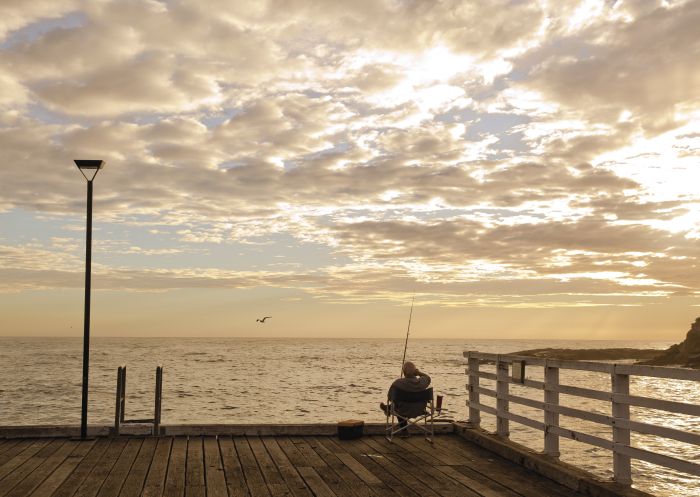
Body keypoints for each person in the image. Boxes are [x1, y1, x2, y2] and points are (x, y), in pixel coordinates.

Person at [380, 361, 431, 434]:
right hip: (420, 410)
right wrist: (419, 373)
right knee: (400, 404)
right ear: (415, 372)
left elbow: (390, 398)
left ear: (403, 372)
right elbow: (428, 378)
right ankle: (388, 408)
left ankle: (404, 431)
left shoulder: (397, 383)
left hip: (402, 410)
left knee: (398, 405)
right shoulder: (422, 382)